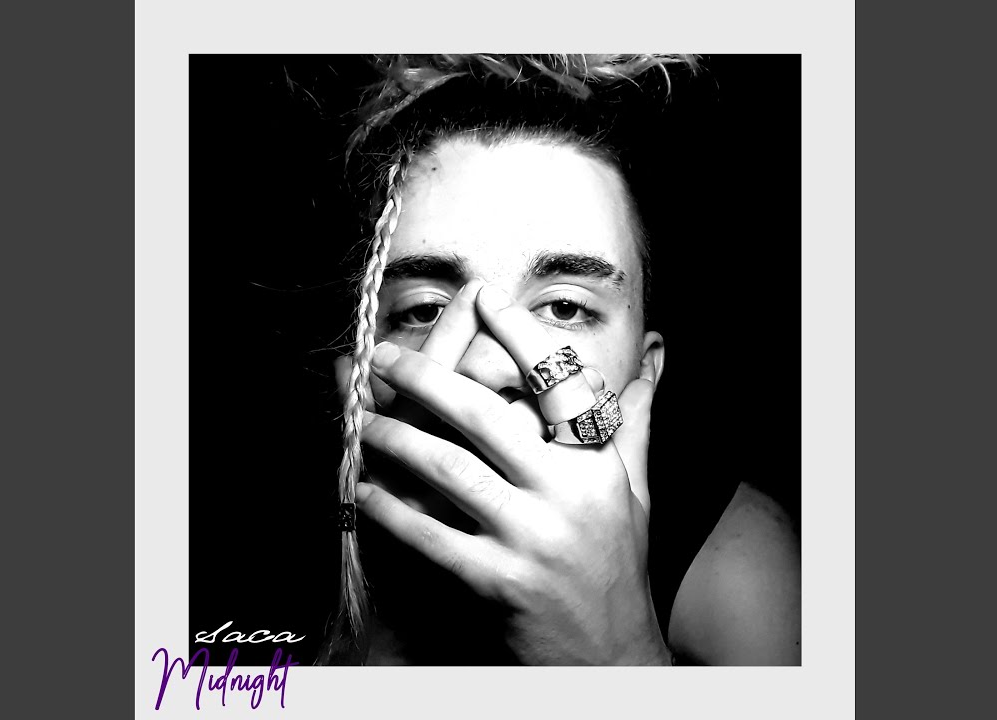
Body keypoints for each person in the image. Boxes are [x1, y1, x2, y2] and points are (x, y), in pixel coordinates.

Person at [322, 54, 799, 665]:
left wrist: (620, 654)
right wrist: (390, 628)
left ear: (644, 374)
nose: (490, 367)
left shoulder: (742, 565)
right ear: (355, 376)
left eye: (566, 308)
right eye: (424, 310)